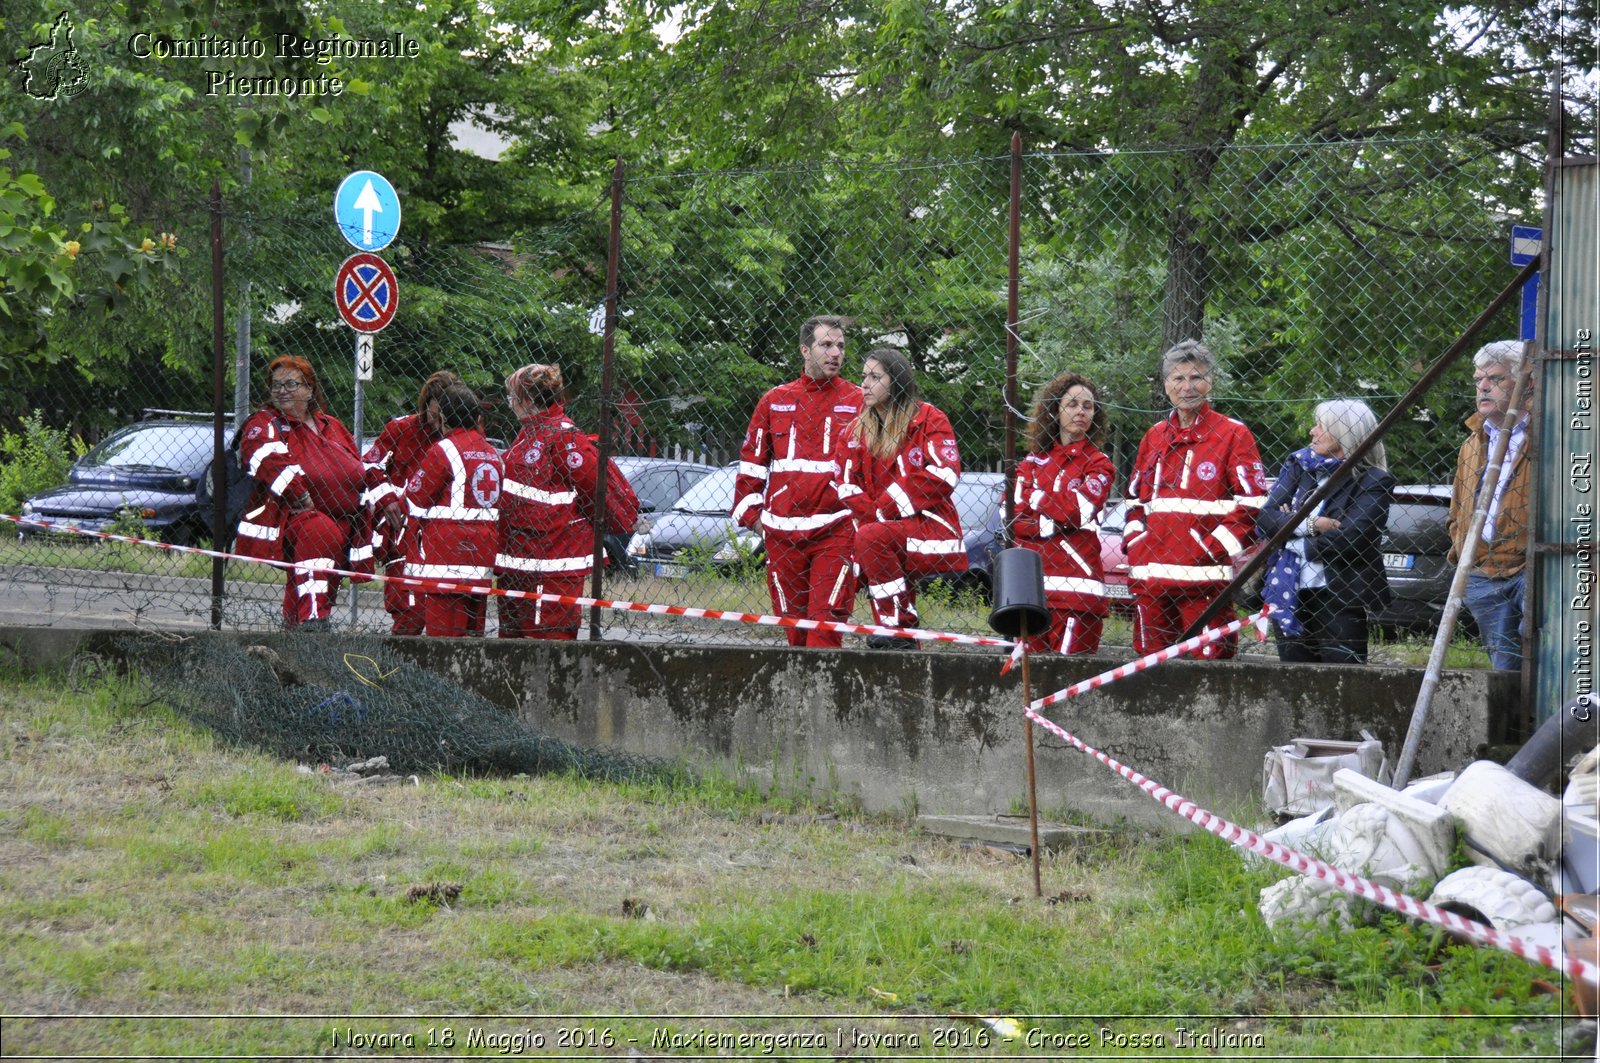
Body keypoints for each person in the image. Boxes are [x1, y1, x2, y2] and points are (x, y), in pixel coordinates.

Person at [1123, 340, 1269, 659]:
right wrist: (1135, 545)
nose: (1187, 387)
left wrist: (1208, 551)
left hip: (1204, 584)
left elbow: (1253, 504)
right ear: (1166, 385)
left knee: (1209, 675)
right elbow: (1135, 502)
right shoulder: (1154, 436)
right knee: (1149, 673)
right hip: (1152, 583)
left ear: (1209, 383)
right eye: (1178, 379)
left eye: (1196, 378)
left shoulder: (1233, 434)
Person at [731, 315, 862, 648]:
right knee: (795, 633)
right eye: (826, 345)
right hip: (782, 534)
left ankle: (826, 699)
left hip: (836, 530)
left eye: (841, 346)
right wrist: (757, 520)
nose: (835, 353)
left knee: (825, 628)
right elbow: (751, 466)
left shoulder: (858, 401)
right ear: (805, 350)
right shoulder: (774, 400)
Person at [235, 355, 375, 629]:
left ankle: (293, 633)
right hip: (295, 516)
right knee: (320, 534)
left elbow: (356, 465)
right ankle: (313, 625)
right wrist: (298, 493)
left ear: (309, 389)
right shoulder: (265, 422)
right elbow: (263, 457)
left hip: (344, 519)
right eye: (276, 386)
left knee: (317, 576)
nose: (282, 391)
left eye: (290, 384)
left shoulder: (332, 425)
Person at [840, 348, 968, 649]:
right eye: (863, 377)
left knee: (872, 539)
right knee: (866, 540)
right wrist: (876, 517)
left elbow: (945, 473)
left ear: (896, 380)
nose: (865, 385)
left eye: (875, 377)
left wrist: (884, 509)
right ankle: (897, 629)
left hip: (932, 530)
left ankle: (898, 627)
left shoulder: (928, 418)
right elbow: (845, 484)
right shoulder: (856, 430)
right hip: (881, 529)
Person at [1256, 399, 1394, 664]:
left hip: (1340, 596)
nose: (1312, 431)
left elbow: (1351, 540)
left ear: (1345, 432)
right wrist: (1313, 525)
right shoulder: (1300, 465)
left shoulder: (1373, 481)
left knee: (1344, 677)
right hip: (1289, 590)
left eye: (1321, 426)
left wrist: (1289, 535)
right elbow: (1265, 519)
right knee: (1294, 675)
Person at [496, 363, 603, 640]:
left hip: (552, 564)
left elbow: (593, 491)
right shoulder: (531, 432)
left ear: (528, 400)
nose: (510, 404)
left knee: (547, 640)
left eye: (513, 397)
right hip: (522, 561)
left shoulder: (563, 435)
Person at [1012, 373, 1116, 655]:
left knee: (1067, 684)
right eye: (1072, 404)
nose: (1081, 411)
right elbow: (1011, 518)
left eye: (1088, 406)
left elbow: (1079, 510)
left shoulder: (1099, 464)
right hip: (1030, 593)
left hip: (1078, 594)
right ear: (1055, 410)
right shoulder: (1031, 463)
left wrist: (1036, 497)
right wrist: (1054, 521)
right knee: (1030, 683)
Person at [1447, 340, 1532, 671]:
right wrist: (1461, 546)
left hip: (1532, 569)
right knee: (1504, 669)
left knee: (1548, 665)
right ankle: (1518, 726)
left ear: (1526, 383)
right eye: (1478, 380)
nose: (1483, 386)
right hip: (1484, 572)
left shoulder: (1549, 434)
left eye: (1495, 379)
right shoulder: (1472, 443)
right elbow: (1457, 509)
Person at [362, 370, 463, 635]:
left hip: (443, 535)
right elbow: (371, 463)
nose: (438, 423)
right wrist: (387, 499)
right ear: (425, 405)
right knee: (409, 611)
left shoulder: (460, 438)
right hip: (403, 532)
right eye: (433, 415)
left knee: (446, 615)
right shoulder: (401, 429)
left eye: (444, 417)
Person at [403, 384, 502, 637]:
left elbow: (416, 497)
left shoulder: (444, 450)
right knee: (472, 638)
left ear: (444, 417)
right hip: (481, 559)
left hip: (447, 559)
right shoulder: (493, 454)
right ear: (477, 418)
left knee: (444, 640)